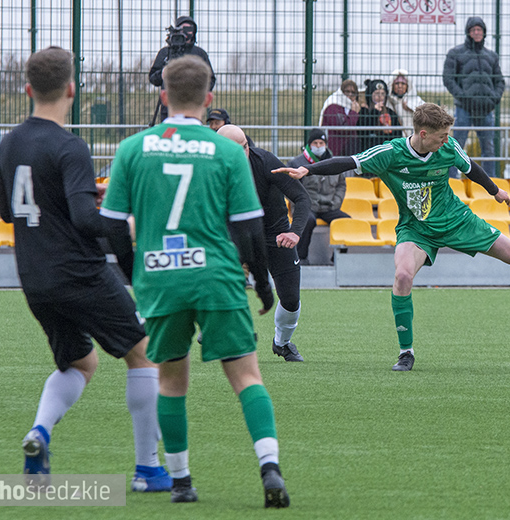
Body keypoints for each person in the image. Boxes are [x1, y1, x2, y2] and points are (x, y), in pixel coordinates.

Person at [273, 103, 510, 372]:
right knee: (402, 275)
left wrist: (495, 192)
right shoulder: (390, 153)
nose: (447, 140)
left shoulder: (448, 149)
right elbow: (347, 162)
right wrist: (309, 169)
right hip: (416, 229)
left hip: (458, 221)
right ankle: (406, 353)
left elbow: (471, 169)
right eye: (442, 135)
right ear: (423, 134)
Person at [100, 55, 290, 507]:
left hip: (161, 279)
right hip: (216, 276)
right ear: (208, 100)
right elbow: (248, 229)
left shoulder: (132, 149)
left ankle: (182, 480)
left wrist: (134, 273)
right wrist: (263, 285)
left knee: (170, 381)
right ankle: (269, 466)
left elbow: (109, 227)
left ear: (163, 97)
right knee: (246, 375)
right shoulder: (226, 150)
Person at [0, 46, 171, 492]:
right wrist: (128, 219)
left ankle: (39, 433)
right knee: (144, 353)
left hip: (34, 277)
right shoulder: (70, 145)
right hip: (79, 272)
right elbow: (84, 220)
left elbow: (5, 212)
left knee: (80, 361)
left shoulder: (10, 141)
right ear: (73, 89)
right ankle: (149, 469)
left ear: (28, 89)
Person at [218, 124, 311, 362]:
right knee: (222, 282)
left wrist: (295, 233)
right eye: (234, 150)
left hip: (276, 235)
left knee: (290, 299)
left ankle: (282, 343)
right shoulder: (208, 168)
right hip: (235, 235)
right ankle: (216, 326)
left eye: (245, 147)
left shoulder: (266, 162)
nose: (243, 154)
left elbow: (302, 199)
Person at [443, 16, 505, 177]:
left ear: (484, 33)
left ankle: (489, 180)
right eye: (473, 30)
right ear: (468, 33)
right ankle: (452, 180)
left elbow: (499, 81)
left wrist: (493, 98)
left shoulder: (491, 56)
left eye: (479, 30)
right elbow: (448, 78)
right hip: (464, 108)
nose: (477, 33)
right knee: (456, 146)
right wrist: (462, 96)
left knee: (488, 148)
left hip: (485, 109)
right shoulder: (456, 53)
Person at [287, 128, 350, 264]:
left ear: (326, 144)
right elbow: (291, 188)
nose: (318, 146)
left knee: (346, 221)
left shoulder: (334, 163)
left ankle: (338, 259)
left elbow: (341, 185)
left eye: (321, 143)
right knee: (307, 220)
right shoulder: (297, 164)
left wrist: (336, 202)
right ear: (309, 145)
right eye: (315, 143)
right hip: (308, 207)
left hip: (329, 207)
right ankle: (301, 258)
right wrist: (300, 206)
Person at [149, 16, 216, 125]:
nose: (186, 33)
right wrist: (162, 74)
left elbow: (211, 79)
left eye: (189, 29)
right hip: (169, 106)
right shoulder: (166, 52)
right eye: (183, 29)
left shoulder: (199, 54)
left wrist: (199, 89)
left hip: (194, 105)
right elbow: (153, 78)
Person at [358, 79, 403, 154]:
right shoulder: (364, 111)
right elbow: (362, 131)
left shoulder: (390, 112)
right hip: (368, 151)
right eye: (376, 93)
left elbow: (398, 134)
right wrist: (374, 112)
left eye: (383, 94)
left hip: (387, 152)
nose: (380, 96)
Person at [318, 79, 362, 156]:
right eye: (347, 92)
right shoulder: (332, 105)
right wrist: (354, 113)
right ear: (341, 92)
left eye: (353, 93)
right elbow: (343, 129)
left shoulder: (355, 106)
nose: (350, 95)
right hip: (335, 150)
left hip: (351, 149)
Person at [386, 69, 425, 138]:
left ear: (408, 86)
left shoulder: (416, 101)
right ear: (392, 85)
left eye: (403, 83)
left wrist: (411, 108)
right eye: (397, 83)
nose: (400, 86)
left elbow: (427, 114)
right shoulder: (387, 102)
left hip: (413, 139)